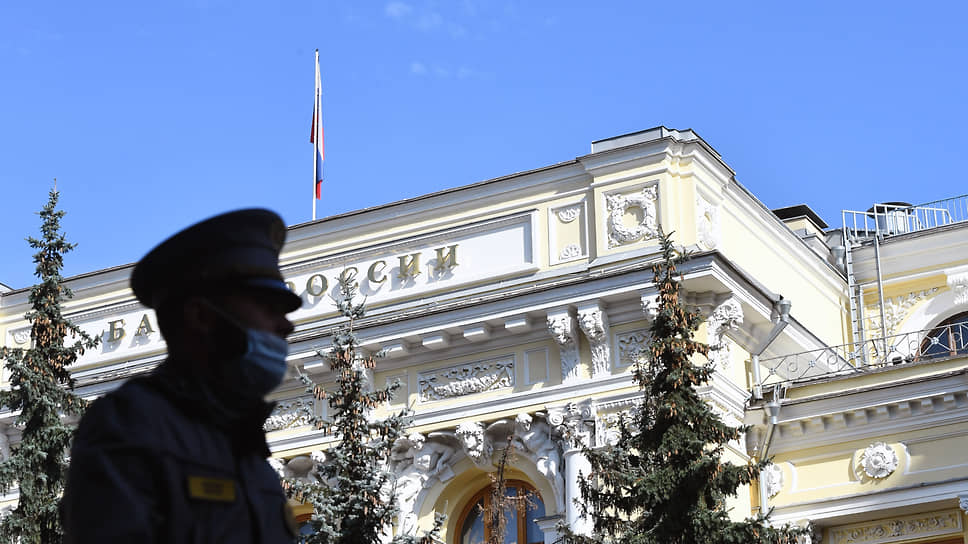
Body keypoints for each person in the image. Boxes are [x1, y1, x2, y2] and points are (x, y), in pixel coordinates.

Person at [62, 209, 302, 543]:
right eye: (268, 308)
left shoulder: (248, 451)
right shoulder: (131, 426)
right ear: (202, 316)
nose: (287, 325)